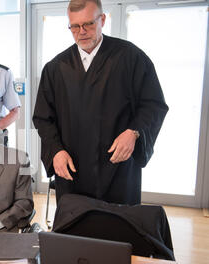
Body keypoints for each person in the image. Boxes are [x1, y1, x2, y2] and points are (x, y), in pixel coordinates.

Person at [32, 0, 168, 206]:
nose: (82, 32)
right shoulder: (56, 68)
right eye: (75, 26)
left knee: (118, 231)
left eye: (88, 24)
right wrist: (56, 151)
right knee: (75, 232)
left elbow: (153, 104)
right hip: (72, 170)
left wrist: (134, 132)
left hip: (118, 169)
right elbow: (43, 118)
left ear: (102, 19)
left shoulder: (131, 58)